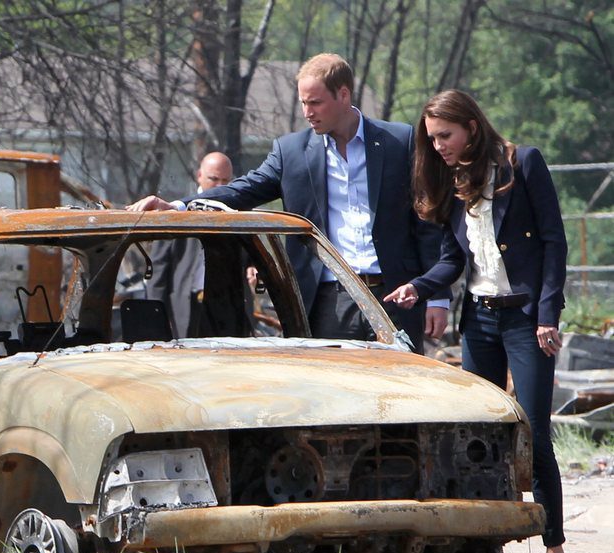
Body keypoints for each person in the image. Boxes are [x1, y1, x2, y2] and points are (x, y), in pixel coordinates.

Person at [384, 89, 581, 553]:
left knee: (534, 434)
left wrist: (547, 314)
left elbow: (555, 243)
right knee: (481, 440)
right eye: (432, 138)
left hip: (525, 322)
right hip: (479, 324)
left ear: (471, 126)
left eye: (445, 135)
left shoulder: (524, 163)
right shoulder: (451, 181)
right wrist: (419, 286)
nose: (439, 145)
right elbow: (454, 259)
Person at [127, 53, 448, 352]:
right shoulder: (291, 152)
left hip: (396, 296)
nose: (307, 112)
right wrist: (181, 206)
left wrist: (436, 296)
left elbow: (427, 222)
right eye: (304, 103)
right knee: (330, 395)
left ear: (344, 95)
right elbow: (242, 190)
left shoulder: (399, 141)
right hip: (328, 300)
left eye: (316, 103)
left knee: (400, 395)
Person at [144, 152, 233, 337]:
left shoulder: (236, 214)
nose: (220, 186)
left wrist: (252, 268)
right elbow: (158, 270)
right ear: (199, 176)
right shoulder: (177, 213)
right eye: (214, 179)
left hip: (225, 306)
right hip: (184, 304)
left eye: (226, 180)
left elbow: (247, 257)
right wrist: (157, 316)